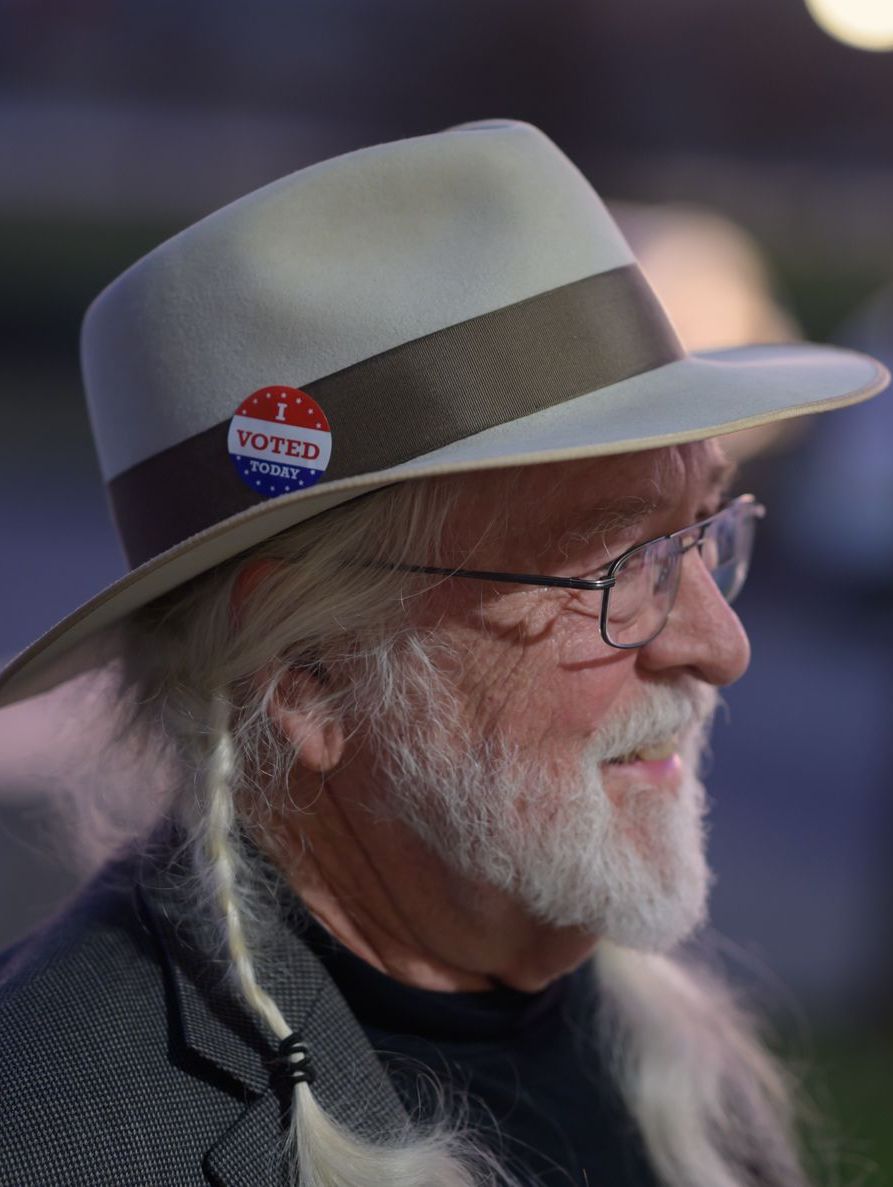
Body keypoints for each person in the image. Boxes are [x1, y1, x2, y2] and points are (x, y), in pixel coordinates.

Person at [0, 120, 888, 1187]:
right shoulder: (54, 1134)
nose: (719, 644)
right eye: (615, 566)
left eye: (698, 531)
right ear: (310, 674)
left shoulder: (687, 1069)